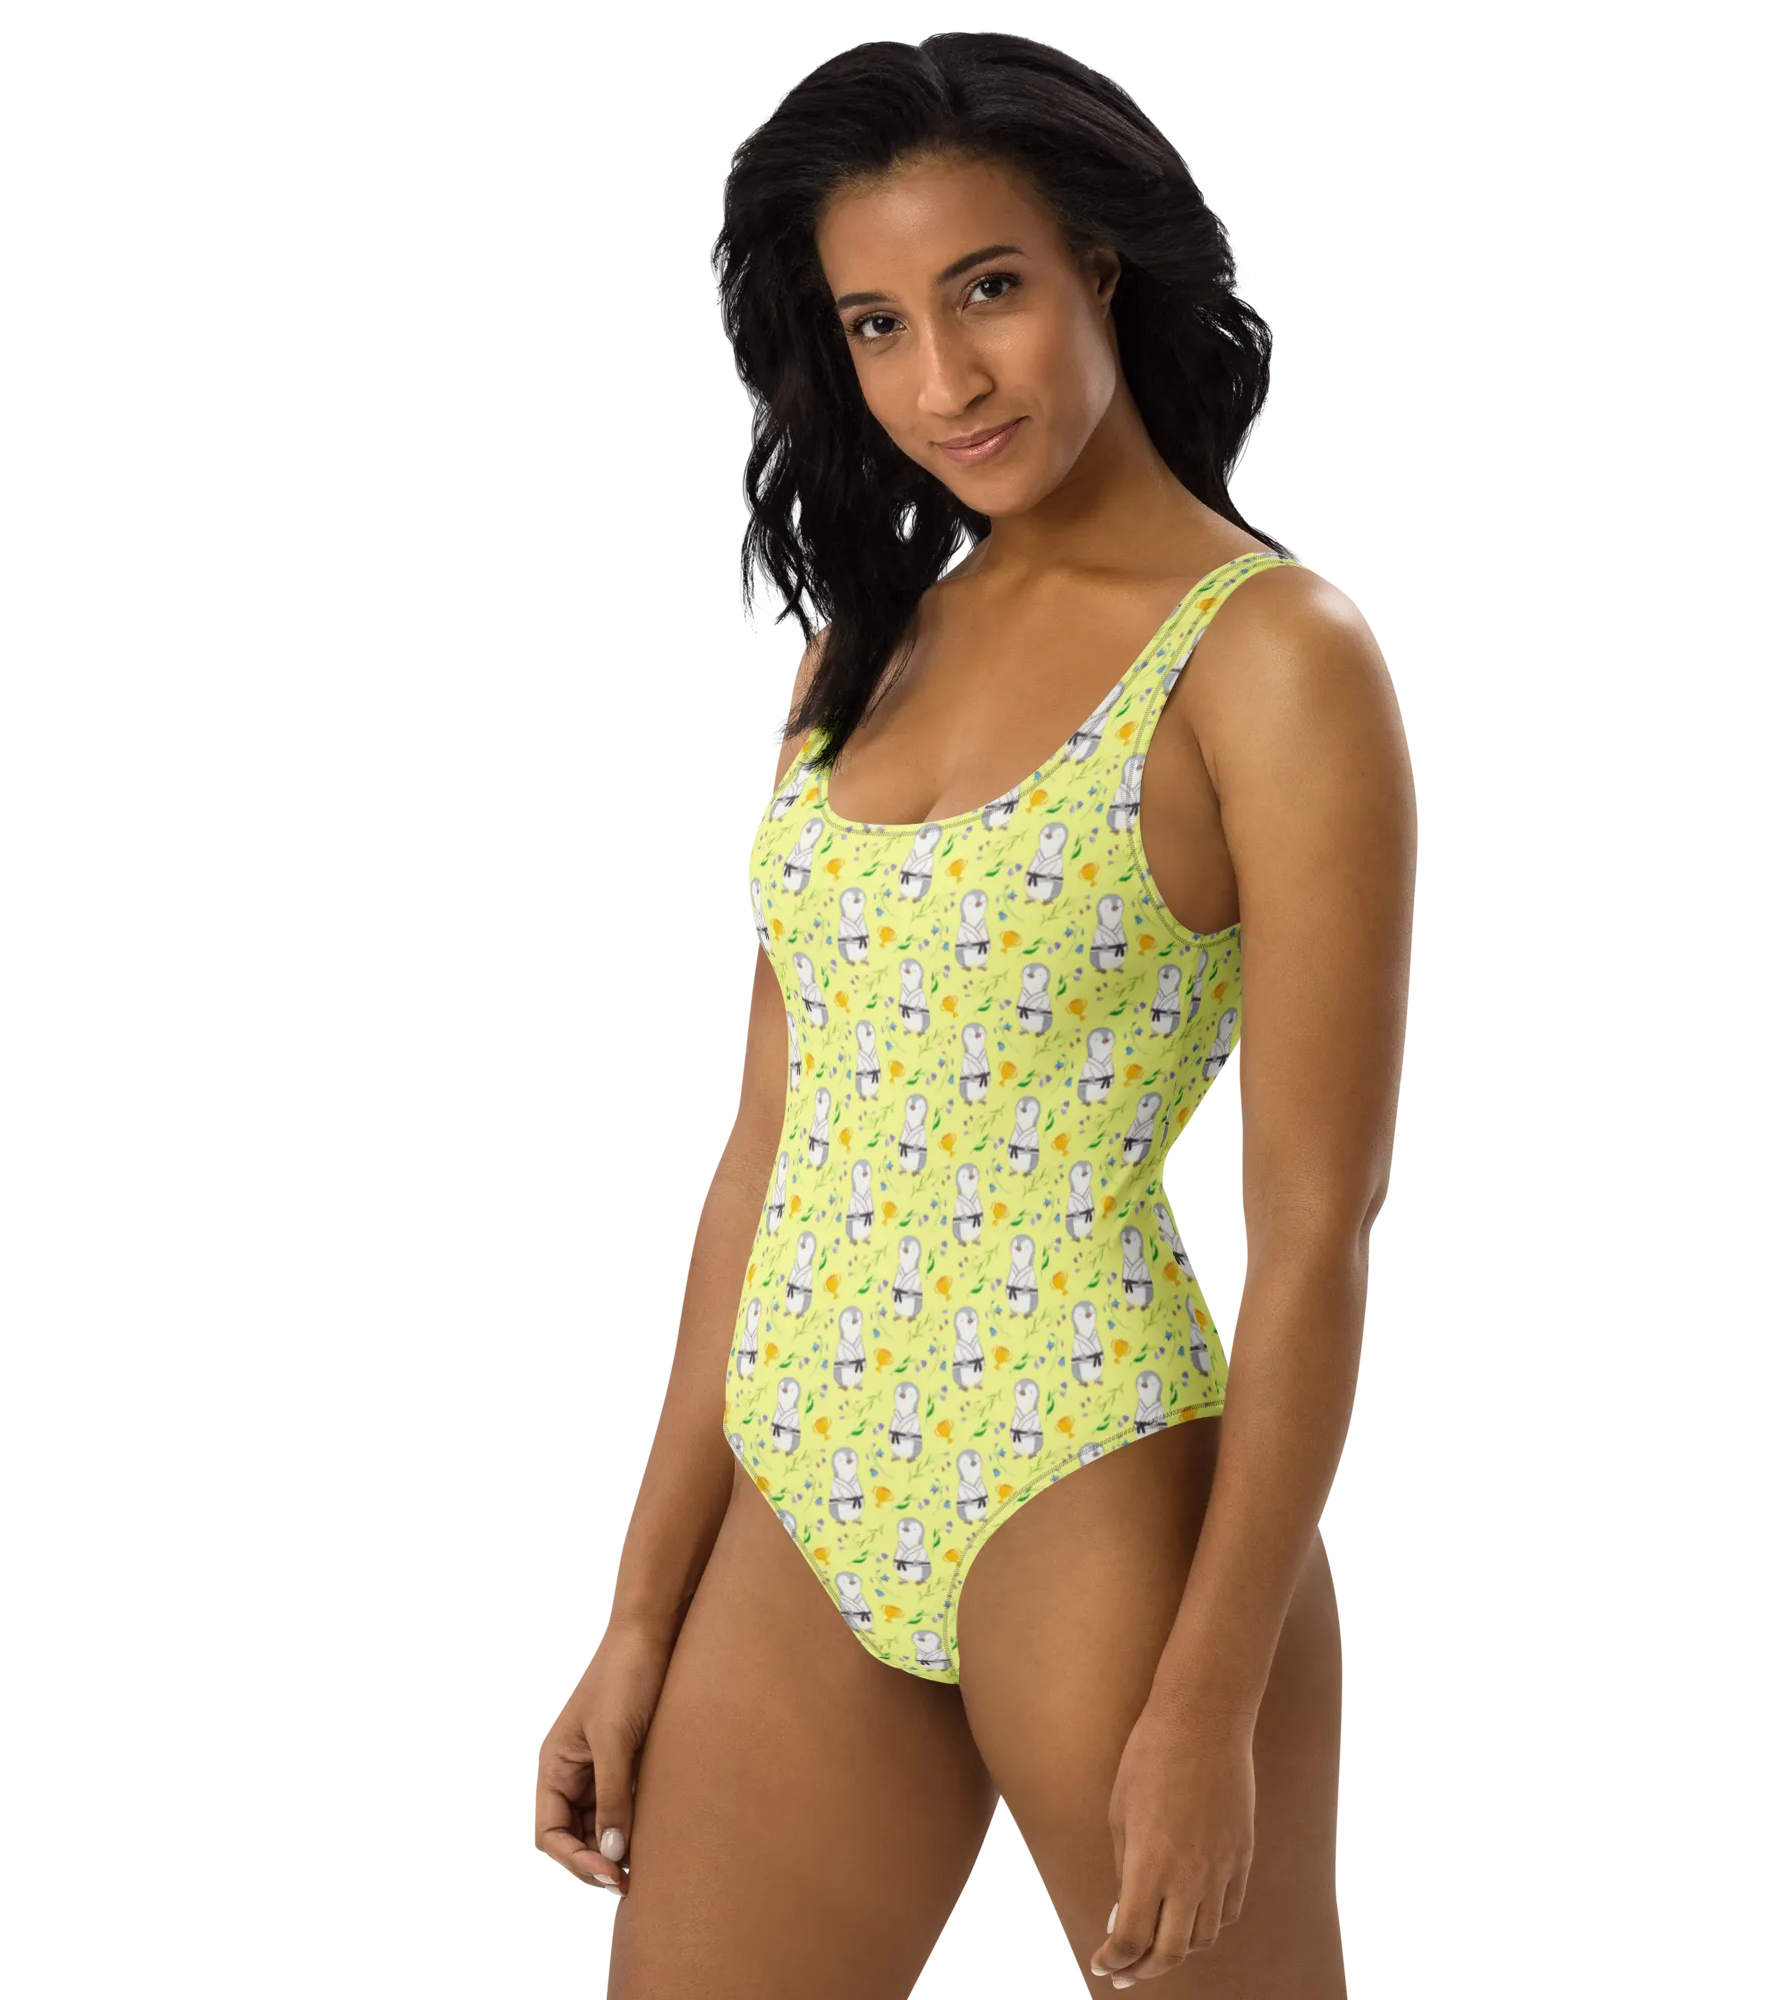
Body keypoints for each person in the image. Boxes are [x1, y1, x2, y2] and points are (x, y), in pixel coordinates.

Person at [532, 29, 1416, 1998]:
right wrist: (639, 1613)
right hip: (804, 1477)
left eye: (987, 288)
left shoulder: (1270, 656)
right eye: (878, 323)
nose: (944, 379)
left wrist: (1206, 1701)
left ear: (1100, 265)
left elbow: (1312, 1234)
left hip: (1089, 1477)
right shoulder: (859, 651)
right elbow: (765, 1149)